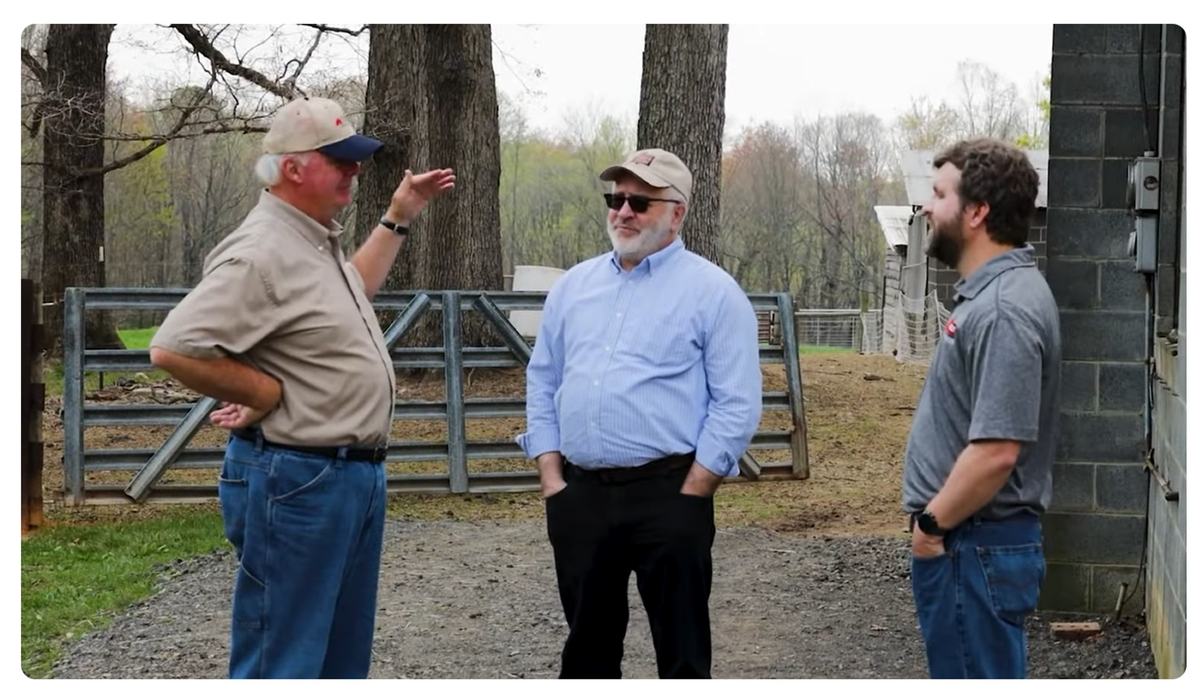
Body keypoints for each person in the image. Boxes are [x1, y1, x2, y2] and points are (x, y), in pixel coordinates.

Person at [148, 96, 454, 678]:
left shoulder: (311, 238)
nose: (354, 169)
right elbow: (175, 345)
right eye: (338, 159)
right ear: (292, 168)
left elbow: (350, 296)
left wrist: (399, 216)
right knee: (282, 662)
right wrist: (262, 392)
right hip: (299, 478)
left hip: (344, 477)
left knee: (337, 659)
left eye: (355, 158)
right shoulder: (261, 249)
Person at [517, 148, 763, 678]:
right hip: (581, 496)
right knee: (587, 652)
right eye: (616, 198)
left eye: (640, 201)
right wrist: (551, 478)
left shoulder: (714, 294)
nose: (623, 211)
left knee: (682, 654)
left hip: (669, 495)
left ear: (677, 213)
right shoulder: (573, 288)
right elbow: (542, 379)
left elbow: (737, 403)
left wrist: (694, 492)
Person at [902, 137, 1061, 678]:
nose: (926, 206)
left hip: (973, 544)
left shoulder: (1003, 309)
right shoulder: (993, 296)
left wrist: (930, 526)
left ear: (977, 211)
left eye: (940, 194)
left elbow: (996, 451)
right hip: (972, 543)